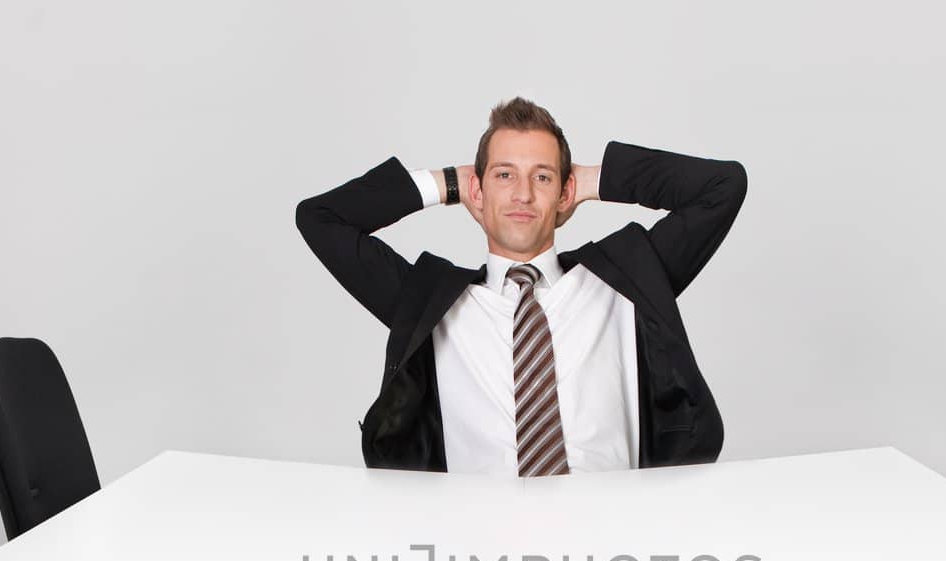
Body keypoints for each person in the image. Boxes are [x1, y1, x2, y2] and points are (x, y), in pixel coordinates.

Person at [295, 97, 746, 475]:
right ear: (479, 192)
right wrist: (449, 183)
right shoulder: (426, 302)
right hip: (476, 552)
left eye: (542, 177)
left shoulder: (628, 281)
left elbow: (723, 186)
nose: (523, 194)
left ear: (563, 195)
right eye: (504, 175)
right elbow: (320, 218)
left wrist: (588, 180)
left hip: (615, 541)